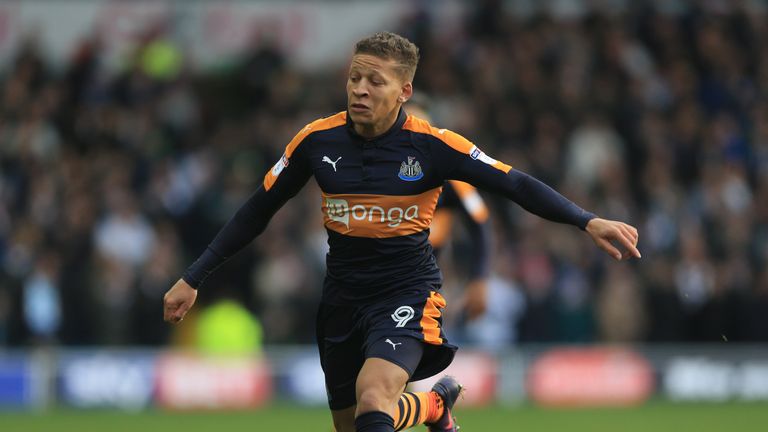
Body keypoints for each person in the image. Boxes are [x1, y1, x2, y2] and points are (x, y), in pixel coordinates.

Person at [163, 32, 641, 432]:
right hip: (341, 299)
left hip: (405, 291)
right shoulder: (314, 141)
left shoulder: (434, 147)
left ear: (404, 91)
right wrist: (194, 277)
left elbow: (513, 183)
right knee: (355, 424)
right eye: (354, 78)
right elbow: (256, 210)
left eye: (375, 81)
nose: (360, 90)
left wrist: (586, 220)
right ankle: (434, 406)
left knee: (375, 403)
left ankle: (427, 403)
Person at [406, 95, 492, 322]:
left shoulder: (451, 177)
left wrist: (479, 279)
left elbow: (480, 222)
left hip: (422, 283)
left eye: (421, 128)